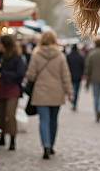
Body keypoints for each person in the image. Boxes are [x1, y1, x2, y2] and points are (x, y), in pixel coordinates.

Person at [26, 30, 73, 160]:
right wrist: (69, 92)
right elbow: (65, 75)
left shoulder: (36, 54)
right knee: (53, 120)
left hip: (40, 92)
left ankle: (45, 145)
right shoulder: (60, 55)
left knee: (44, 120)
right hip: (56, 92)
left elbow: (30, 74)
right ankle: (51, 145)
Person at [0, 35, 26, 151]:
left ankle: (12, 139)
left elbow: (20, 74)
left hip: (12, 90)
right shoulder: (1, 56)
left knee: (10, 115)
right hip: (0, 89)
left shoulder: (17, 58)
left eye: (0, 44)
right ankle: (2, 137)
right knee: (0, 114)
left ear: (5, 45)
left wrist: (2, 74)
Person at [66, 44, 85, 110]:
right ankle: (74, 103)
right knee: (76, 91)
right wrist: (83, 74)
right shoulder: (80, 56)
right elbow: (83, 66)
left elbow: (66, 66)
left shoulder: (68, 56)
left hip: (70, 76)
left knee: (71, 89)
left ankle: (72, 100)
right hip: (78, 76)